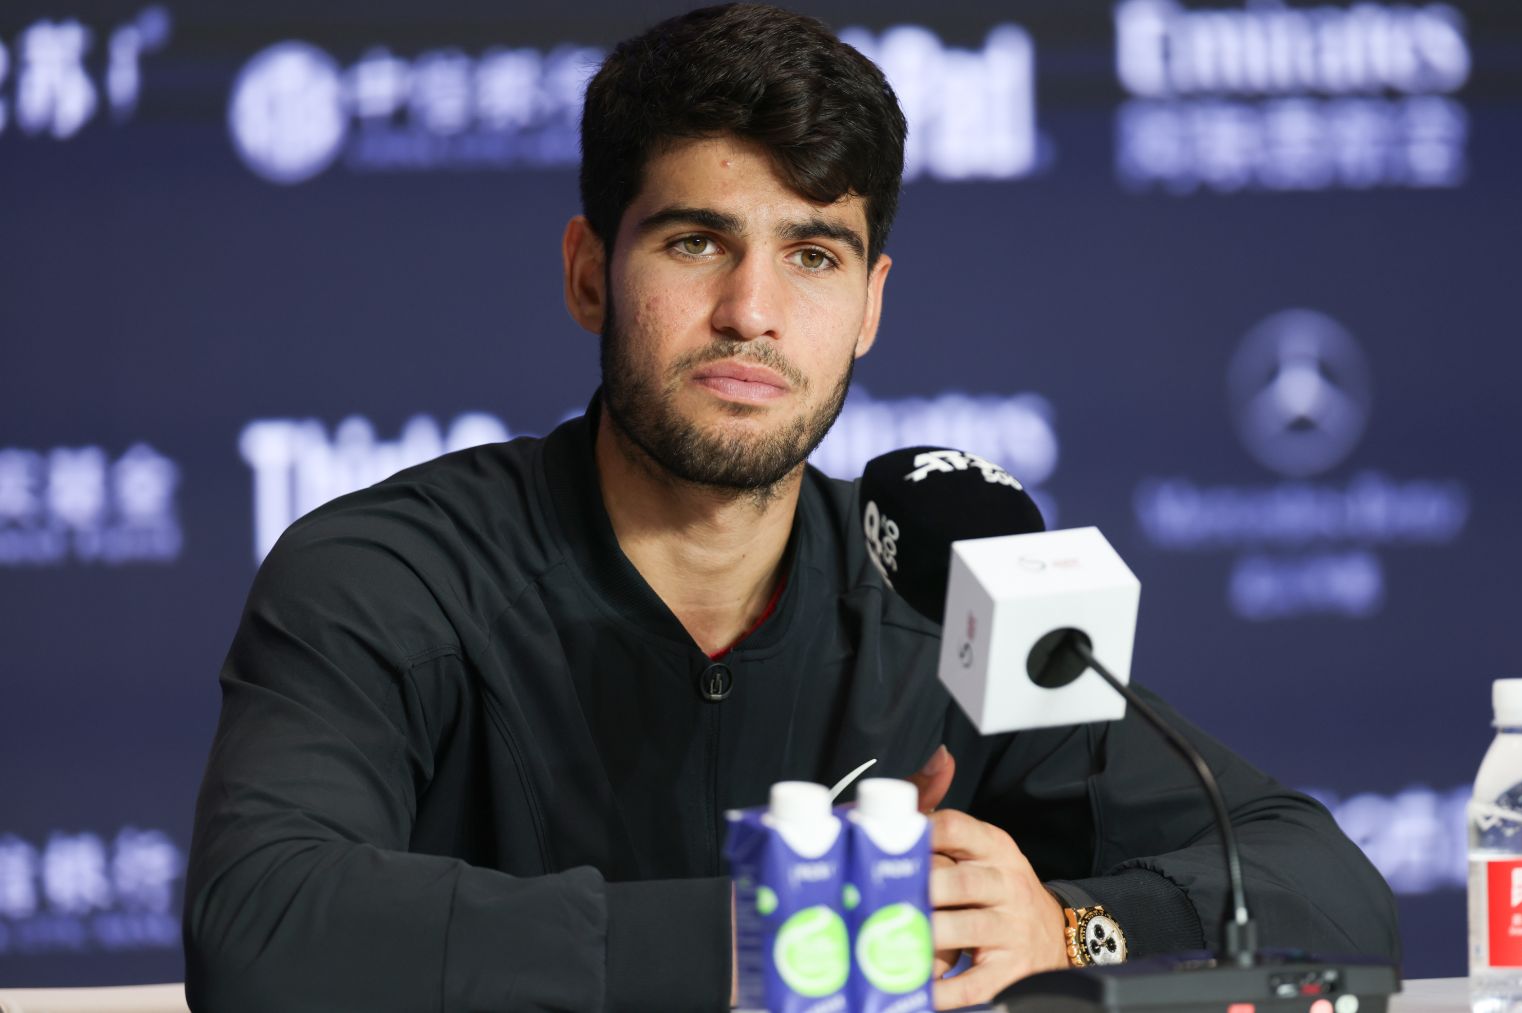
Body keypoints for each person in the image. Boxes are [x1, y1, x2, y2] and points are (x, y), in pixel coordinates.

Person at [182, 5, 1400, 1010]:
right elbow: (266, 928)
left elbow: (1323, 888)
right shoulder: (387, 572)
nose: (753, 311)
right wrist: (799, 926)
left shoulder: (943, 588)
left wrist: (1064, 921)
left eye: (813, 255)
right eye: (698, 242)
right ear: (590, 273)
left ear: (869, 306)